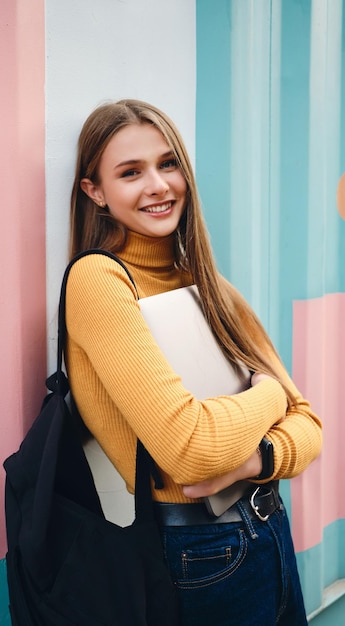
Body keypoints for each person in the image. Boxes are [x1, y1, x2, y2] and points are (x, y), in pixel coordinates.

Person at [65, 99, 322, 625]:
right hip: (199, 552)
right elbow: (190, 451)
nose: (158, 185)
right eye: (131, 172)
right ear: (95, 192)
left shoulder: (205, 281)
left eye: (168, 163)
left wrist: (258, 460)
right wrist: (268, 395)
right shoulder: (100, 282)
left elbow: (311, 426)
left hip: (269, 526)